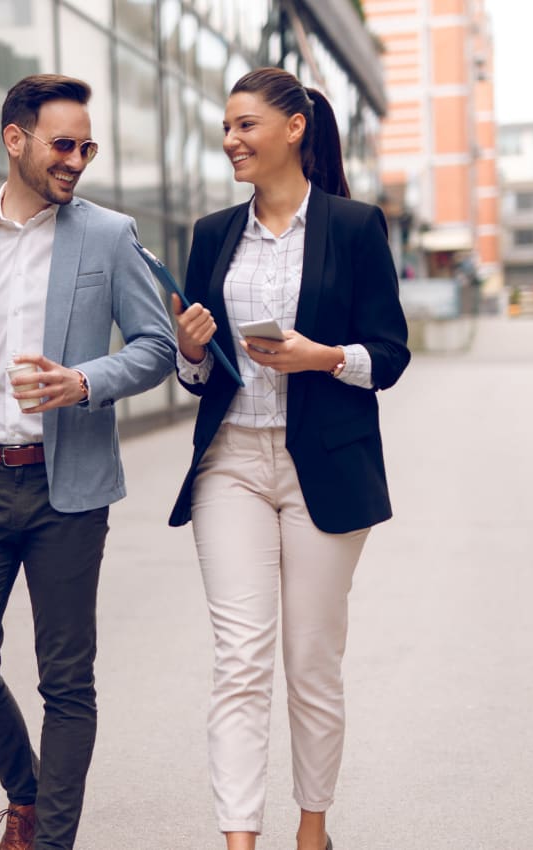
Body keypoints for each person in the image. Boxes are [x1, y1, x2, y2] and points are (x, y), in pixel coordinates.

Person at [0, 74, 175, 850]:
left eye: (87, 146)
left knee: (67, 681)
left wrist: (83, 381)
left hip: (68, 488)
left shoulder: (108, 235)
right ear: (15, 140)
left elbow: (155, 348)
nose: (77, 160)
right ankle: (26, 788)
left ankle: (50, 839)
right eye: (63, 144)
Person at [168, 67, 410, 850]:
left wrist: (324, 357)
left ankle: (312, 830)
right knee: (240, 660)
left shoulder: (354, 225)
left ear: (294, 129)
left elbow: (391, 355)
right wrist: (190, 352)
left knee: (310, 661)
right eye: (228, 128)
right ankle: (239, 839)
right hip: (231, 462)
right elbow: (197, 375)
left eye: (245, 126)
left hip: (325, 468)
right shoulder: (212, 234)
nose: (231, 140)